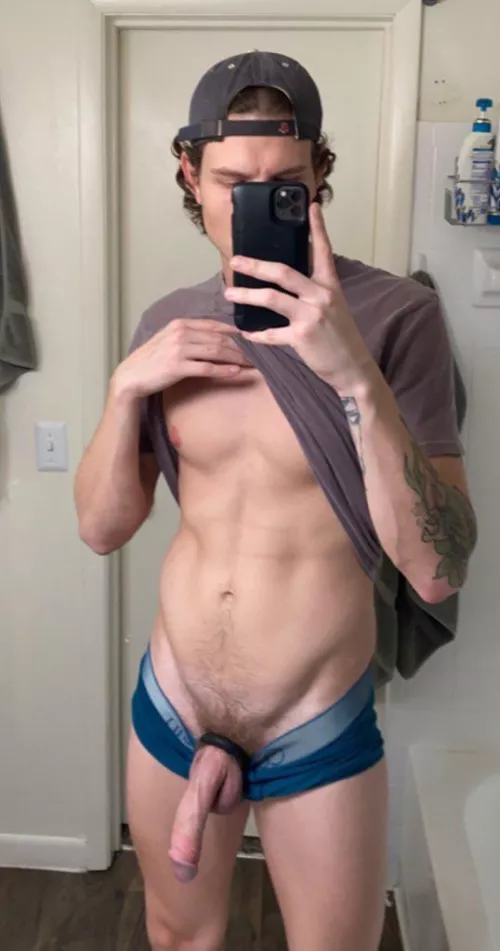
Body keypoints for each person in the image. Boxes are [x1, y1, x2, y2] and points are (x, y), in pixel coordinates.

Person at [74, 51, 477, 951]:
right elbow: (101, 528)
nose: (256, 200)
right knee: (177, 936)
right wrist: (125, 388)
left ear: (318, 175)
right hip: (175, 696)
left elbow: (439, 567)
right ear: (191, 174)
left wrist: (353, 371)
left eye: (284, 182)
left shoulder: (397, 319)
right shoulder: (167, 326)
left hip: (315, 715)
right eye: (232, 181)